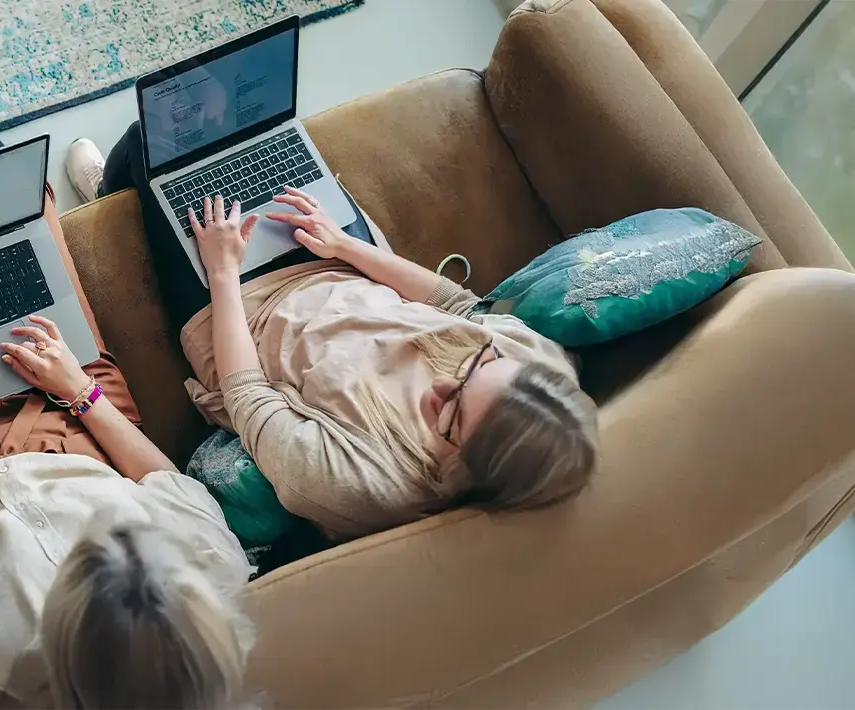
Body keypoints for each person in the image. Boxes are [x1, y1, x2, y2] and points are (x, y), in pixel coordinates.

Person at [67, 126, 599, 541]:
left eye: (449, 411)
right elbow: (456, 303)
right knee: (250, 138)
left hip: (244, 313)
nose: (440, 384)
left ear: (464, 469)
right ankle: (129, 196)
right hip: (344, 265)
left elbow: (246, 392)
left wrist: (224, 271)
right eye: (472, 368)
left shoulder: (356, 485)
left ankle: (114, 196)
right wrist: (343, 245)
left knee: (151, 144)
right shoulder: (537, 369)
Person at [0, 140, 254, 710]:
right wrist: (79, 389)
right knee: (28, 233)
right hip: (81, 418)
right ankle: (7, 187)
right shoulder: (206, 581)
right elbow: (166, 483)